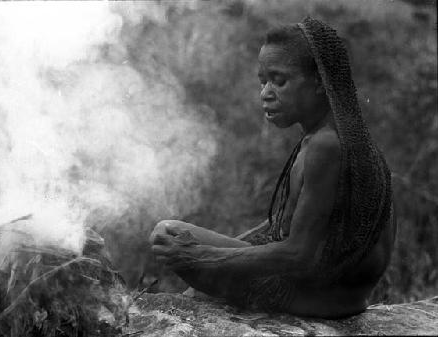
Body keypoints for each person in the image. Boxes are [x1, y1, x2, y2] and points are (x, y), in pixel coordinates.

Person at [149, 17, 396, 318]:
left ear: (319, 82)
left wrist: (201, 256)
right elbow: (287, 225)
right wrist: (224, 255)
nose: (265, 92)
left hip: (317, 298)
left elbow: (299, 254)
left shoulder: (328, 145)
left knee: (169, 233)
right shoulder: (342, 134)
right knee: (183, 251)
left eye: (279, 81)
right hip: (337, 294)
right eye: (263, 81)